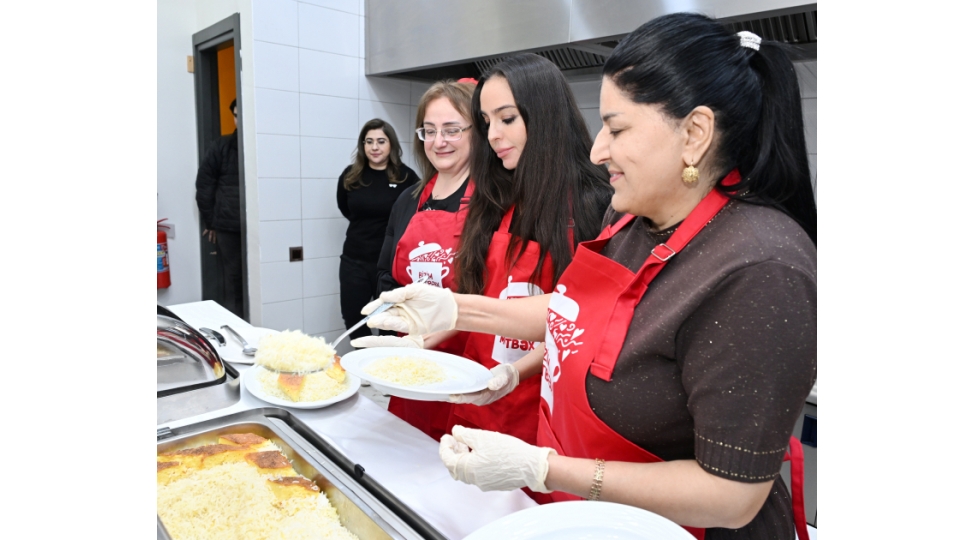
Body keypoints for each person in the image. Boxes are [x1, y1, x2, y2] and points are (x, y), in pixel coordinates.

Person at [362, 14, 816, 540]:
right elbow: (571, 314)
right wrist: (457, 310)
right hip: (588, 514)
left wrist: (542, 468)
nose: (599, 149)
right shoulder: (633, 220)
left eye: (617, 128)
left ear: (695, 135)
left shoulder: (759, 264)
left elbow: (732, 497)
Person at [360, 54, 613, 502]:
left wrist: (515, 373)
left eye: (507, 118)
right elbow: (477, 296)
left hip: (540, 405)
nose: (494, 135)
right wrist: (423, 341)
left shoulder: (592, 203)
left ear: (545, 114)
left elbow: (579, 320)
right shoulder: (495, 196)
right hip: (478, 389)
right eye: (486, 121)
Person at [351, 79, 478, 441]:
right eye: (429, 130)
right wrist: (392, 323)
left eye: (452, 130)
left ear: (476, 132)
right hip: (414, 359)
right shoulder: (410, 198)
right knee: (409, 447)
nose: (439, 142)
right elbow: (386, 271)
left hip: (467, 365)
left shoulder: (492, 203)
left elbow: (493, 292)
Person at [336, 119, 419, 342]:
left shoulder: (407, 178)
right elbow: (346, 208)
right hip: (354, 261)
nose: (375, 147)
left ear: (391, 144)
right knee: (353, 319)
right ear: (362, 145)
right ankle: (365, 367)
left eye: (381, 141)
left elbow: (417, 217)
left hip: (390, 265)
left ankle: (383, 371)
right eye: (369, 141)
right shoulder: (350, 176)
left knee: (389, 324)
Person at [196, 99, 243, 317]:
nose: (239, 119)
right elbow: (204, 186)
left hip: (258, 227)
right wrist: (211, 222)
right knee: (233, 281)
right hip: (228, 227)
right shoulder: (221, 146)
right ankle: (235, 325)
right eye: (235, 114)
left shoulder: (266, 143)